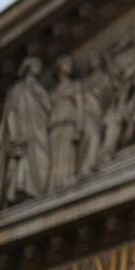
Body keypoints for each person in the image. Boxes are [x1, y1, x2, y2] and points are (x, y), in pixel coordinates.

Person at [0, 57, 51, 209]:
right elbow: (10, 113)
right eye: (35, 64)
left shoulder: (39, 89)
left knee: (42, 160)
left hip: (40, 130)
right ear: (27, 67)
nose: (38, 67)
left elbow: (50, 109)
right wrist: (14, 134)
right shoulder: (17, 90)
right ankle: (24, 192)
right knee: (24, 162)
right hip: (24, 132)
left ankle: (40, 192)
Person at [47, 55, 86, 192]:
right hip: (55, 125)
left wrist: (79, 128)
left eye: (70, 63)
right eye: (66, 63)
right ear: (59, 68)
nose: (69, 65)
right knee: (56, 158)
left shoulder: (75, 85)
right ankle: (54, 187)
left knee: (67, 154)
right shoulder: (53, 92)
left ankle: (68, 181)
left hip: (70, 121)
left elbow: (80, 106)